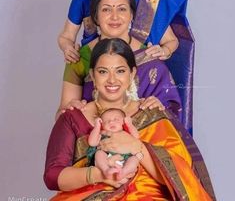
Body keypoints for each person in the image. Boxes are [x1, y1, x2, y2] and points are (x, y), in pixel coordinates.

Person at [44, 38, 216, 200]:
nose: (112, 79)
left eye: (120, 71)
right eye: (103, 71)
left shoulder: (151, 112)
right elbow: (52, 176)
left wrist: (137, 147)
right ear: (93, 75)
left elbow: (178, 176)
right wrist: (98, 174)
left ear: (132, 74)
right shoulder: (73, 117)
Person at [57, 0, 194, 133]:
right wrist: (71, 110)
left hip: (141, 128)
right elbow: (66, 37)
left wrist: (164, 52)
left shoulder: (148, 2)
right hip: (92, 129)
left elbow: (171, 43)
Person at [57, 0, 182, 125]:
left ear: (132, 15)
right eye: (106, 10)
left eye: (122, 9)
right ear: (96, 16)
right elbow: (62, 117)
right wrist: (71, 111)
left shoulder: (150, 58)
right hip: (92, 140)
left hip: (141, 142)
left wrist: (159, 108)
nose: (114, 17)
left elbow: (172, 119)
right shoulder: (80, 58)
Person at [87, 108, 140, 180]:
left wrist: (129, 124)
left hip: (125, 159)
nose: (111, 122)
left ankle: (124, 172)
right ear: (102, 125)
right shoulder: (102, 134)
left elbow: (136, 138)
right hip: (107, 157)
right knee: (99, 153)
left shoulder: (127, 133)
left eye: (116, 120)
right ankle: (106, 170)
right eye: (107, 121)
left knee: (134, 159)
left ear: (123, 122)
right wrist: (97, 126)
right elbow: (92, 143)